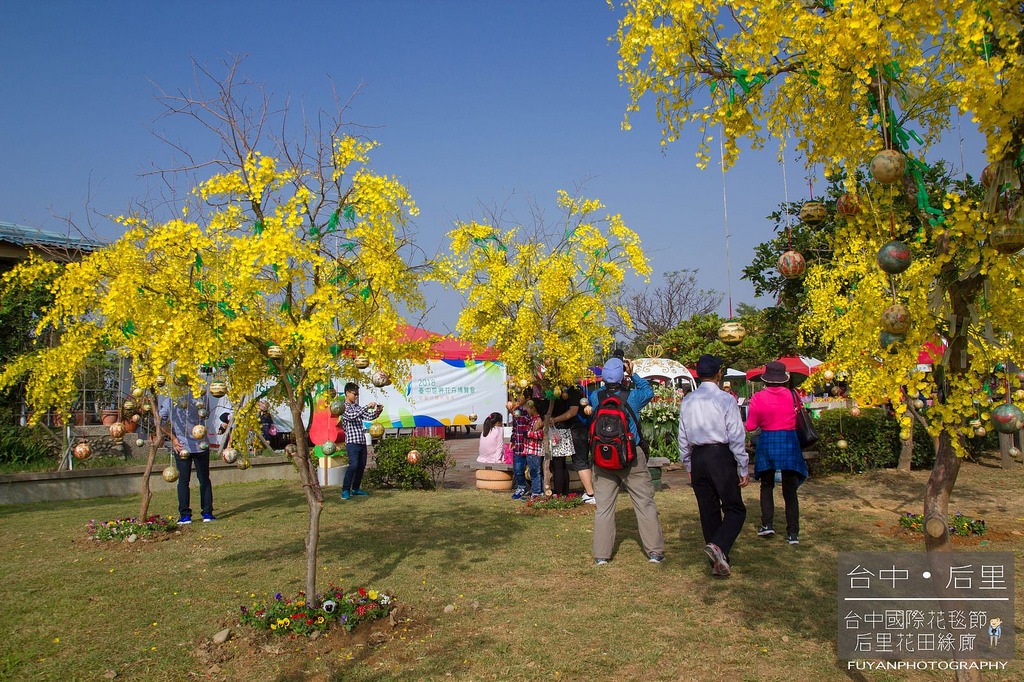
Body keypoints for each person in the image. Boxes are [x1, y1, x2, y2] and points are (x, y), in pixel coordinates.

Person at [587, 356, 664, 565]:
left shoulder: (596, 397)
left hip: (603, 456)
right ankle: (654, 552)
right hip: (631, 456)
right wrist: (634, 373)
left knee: (604, 508)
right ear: (622, 375)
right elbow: (649, 392)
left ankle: (602, 555)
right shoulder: (633, 397)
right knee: (644, 503)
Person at [677, 354, 748, 577]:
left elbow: (682, 436)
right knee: (735, 508)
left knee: (708, 511)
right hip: (719, 455)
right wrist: (743, 465)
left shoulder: (688, 400)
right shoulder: (725, 399)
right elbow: (736, 434)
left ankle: (718, 563)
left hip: (698, 456)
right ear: (719, 373)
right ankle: (719, 545)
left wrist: (688, 464)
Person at [744, 361, 808, 545]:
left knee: (766, 485)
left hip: (768, 441)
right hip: (789, 441)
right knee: (790, 490)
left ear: (766, 379)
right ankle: (793, 533)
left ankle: (767, 524)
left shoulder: (758, 397)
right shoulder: (793, 395)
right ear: (783, 379)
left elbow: (750, 425)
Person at [159, 392, 214, 524]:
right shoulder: (198, 396)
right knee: (202, 480)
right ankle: (203, 514)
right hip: (190, 446)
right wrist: (174, 439)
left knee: (187, 481)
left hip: (191, 446)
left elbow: (159, 421)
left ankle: (189, 515)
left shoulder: (172, 399)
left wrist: (173, 438)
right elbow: (206, 414)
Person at [550, 382, 596, 503]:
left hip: (579, 429)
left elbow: (572, 412)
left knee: (580, 461)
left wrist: (554, 420)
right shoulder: (578, 389)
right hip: (582, 428)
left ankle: (591, 494)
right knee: (583, 461)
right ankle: (590, 492)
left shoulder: (573, 391)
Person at [340, 381, 382, 500]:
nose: (356, 396)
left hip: (361, 441)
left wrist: (378, 411)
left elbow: (368, 417)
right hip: (352, 442)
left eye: (357, 394)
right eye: (354, 394)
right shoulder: (343, 407)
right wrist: (366, 406)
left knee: (361, 466)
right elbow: (352, 416)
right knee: (353, 466)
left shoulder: (357, 407)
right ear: (347, 393)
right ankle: (345, 489)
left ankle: (356, 488)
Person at [522, 398, 546, 499]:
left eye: (528, 407)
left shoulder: (539, 419)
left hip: (535, 450)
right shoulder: (532, 419)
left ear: (533, 408)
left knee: (535, 472)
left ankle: (537, 492)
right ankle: (536, 490)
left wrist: (528, 434)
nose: (527, 409)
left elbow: (541, 434)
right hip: (529, 449)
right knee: (532, 471)